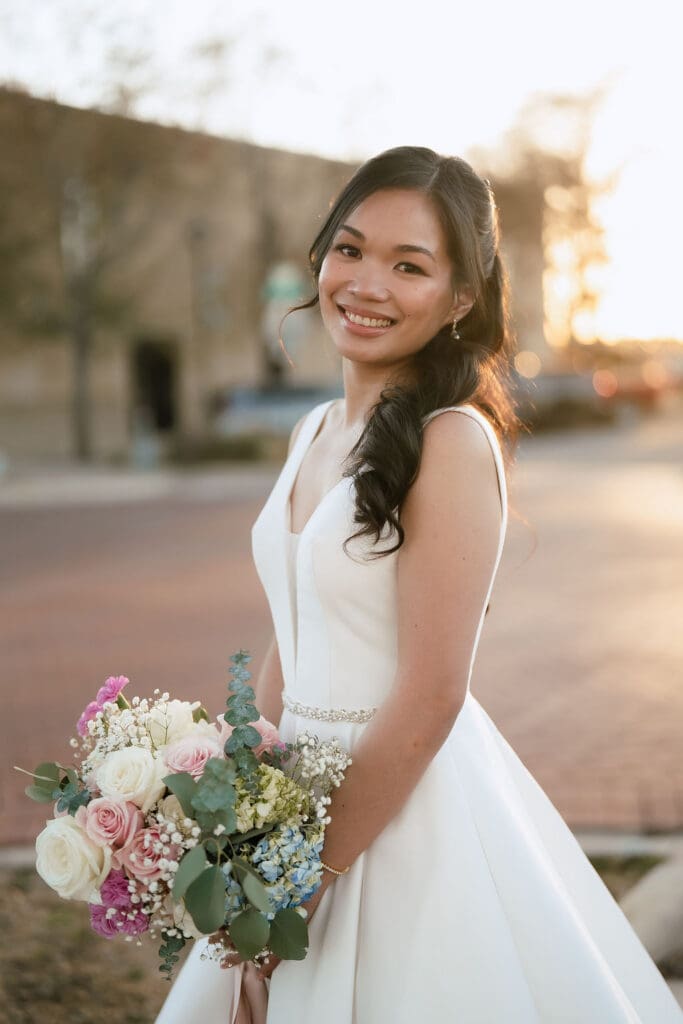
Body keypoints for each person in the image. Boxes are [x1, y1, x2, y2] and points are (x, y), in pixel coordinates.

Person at [156, 146, 682, 1023]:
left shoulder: (450, 442)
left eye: (410, 266)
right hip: (293, 805)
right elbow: (298, 627)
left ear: (460, 298)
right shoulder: (317, 429)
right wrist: (238, 804)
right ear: (320, 256)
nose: (366, 284)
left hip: (400, 818)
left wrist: (306, 875)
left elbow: (434, 693)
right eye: (351, 250)